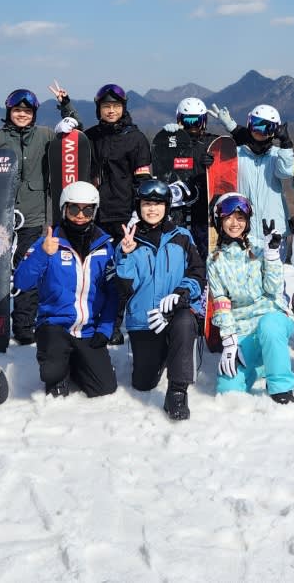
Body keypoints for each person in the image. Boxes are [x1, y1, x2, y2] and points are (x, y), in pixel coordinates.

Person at [0, 84, 79, 344]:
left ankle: (23, 325)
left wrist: (65, 104)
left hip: (33, 215)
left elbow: (75, 130)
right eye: (16, 110)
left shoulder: (45, 136)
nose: (21, 114)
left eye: (26, 110)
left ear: (34, 113)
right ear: (8, 111)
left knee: (28, 269)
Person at [12, 181, 120, 398]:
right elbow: (22, 282)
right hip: (54, 326)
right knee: (52, 372)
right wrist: (43, 254)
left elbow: (112, 293)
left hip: (88, 329)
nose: (80, 215)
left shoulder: (105, 247)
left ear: (94, 212)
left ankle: (76, 361)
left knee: (104, 388)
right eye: (74, 209)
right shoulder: (48, 243)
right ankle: (58, 368)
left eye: (87, 210)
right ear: (64, 209)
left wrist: (105, 329)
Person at [115, 179, 206, 421]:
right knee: (144, 383)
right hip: (144, 320)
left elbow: (198, 273)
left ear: (167, 207)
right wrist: (125, 255)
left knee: (185, 322)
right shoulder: (129, 242)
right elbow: (125, 287)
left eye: (158, 204)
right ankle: (167, 353)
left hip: (175, 312)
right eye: (147, 204)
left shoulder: (182, 237)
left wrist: (181, 294)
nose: (152, 209)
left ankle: (177, 391)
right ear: (139, 207)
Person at [207, 192, 294, 404]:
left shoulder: (260, 247)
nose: (234, 223)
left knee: (269, 326)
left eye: (240, 218)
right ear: (219, 221)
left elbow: (274, 289)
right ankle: (265, 363)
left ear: (247, 222)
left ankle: (280, 385)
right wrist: (229, 342)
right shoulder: (214, 260)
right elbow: (221, 303)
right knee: (228, 389)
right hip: (243, 330)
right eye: (228, 218)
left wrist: (272, 256)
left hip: (271, 317)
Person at [86, 83, 153, 343]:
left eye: (115, 106)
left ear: (123, 108)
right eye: (106, 107)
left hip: (124, 215)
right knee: (98, 272)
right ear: (99, 109)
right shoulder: (91, 136)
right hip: (95, 215)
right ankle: (94, 320)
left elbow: (143, 179)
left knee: (122, 274)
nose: (111, 111)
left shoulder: (135, 138)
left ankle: (114, 324)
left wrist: (139, 212)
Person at [151, 96, 224, 259]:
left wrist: (215, 163)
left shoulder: (212, 142)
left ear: (204, 121)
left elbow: (229, 164)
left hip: (205, 211)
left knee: (202, 253)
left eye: (196, 121)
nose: (192, 127)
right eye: (187, 121)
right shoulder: (174, 141)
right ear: (179, 121)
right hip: (180, 210)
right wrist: (166, 140)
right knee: (181, 253)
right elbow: (161, 164)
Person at [230, 103, 294, 257]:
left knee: (274, 277)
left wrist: (286, 144)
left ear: (275, 131)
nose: (260, 132)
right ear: (249, 125)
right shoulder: (236, 154)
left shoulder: (277, 155)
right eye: (257, 125)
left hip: (274, 230)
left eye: (267, 127)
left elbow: (285, 172)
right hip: (244, 228)